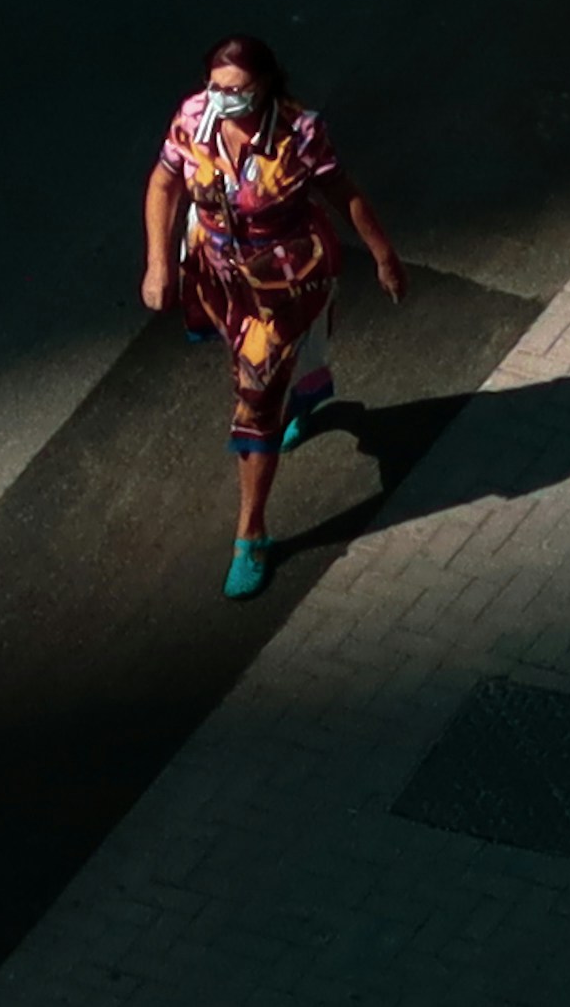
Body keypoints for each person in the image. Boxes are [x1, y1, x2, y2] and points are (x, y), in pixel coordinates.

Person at [142, 32, 407, 597]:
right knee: (265, 367)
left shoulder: (300, 134)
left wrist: (384, 255)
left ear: (262, 87)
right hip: (219, 278)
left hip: (286, 282)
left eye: (234, 89)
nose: (221, 98)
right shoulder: (194, 117)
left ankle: (251, 535)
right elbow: (165, 181)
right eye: (214, 86)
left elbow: (344, 195)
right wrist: (158, 263)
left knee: (256, 398)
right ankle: (308, 396)